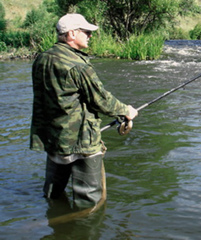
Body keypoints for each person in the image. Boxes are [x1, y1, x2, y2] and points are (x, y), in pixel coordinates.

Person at [30, 13, 138, 208]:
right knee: (90, 202)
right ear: (72, 34)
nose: (90, 35)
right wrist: (126, 111)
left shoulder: (41, 59)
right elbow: (102, 100)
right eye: (86, 32)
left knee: (53, 194)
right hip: (81, 142)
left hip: (53, 138)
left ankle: (53, 225)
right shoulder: (78, 66)